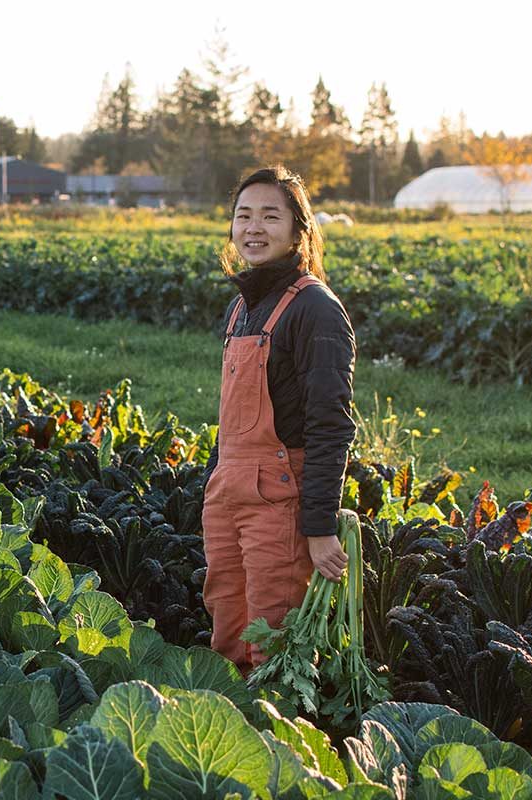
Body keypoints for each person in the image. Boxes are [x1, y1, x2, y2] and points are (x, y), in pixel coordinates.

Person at [200, 165, 356, 674]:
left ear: (298, 229)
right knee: (228, 634)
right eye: (243, 216)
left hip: (278, 502)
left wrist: (318, 526)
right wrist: (215, 480)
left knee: (273, 648)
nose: (254, 228)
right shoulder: (242, 306)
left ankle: (281, 745)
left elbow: (331, 425)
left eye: (270, 216)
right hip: (228, 492)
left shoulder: (315, 308)